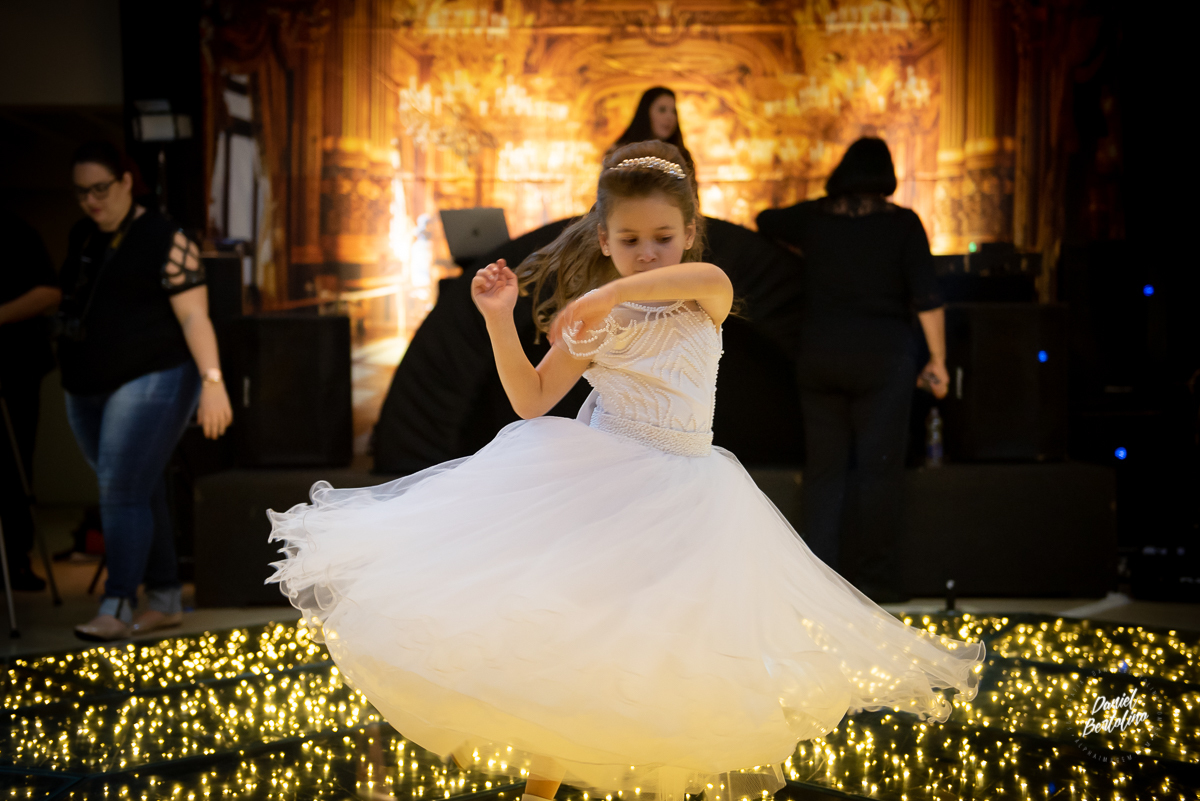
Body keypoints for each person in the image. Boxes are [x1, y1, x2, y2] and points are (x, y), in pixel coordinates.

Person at [266, 139, 983, 801]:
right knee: (574, 646)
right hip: (599, 486)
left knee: (677, 657)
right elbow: (531, 399)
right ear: (604, 240)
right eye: (630, 241)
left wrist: (600, 294)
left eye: (663, 238)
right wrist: (498, 316)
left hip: (687, 491)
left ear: (690, 234)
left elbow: (703, 275)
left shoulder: (707, 293)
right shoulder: (597, 322)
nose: (647, 253)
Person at [755, 137, 949, 604]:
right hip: (883, 361)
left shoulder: (815, 219)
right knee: (878, 472)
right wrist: (938, 361)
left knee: (825, 473)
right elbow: (927, 298)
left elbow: (765, 221)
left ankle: (819, 582)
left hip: (820, 357)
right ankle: (876, 583)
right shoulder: (903, 224)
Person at [58, 141, 233, 641]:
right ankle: (164, 598)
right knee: (137, 485)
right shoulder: (83, 237)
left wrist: (212, 381)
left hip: (151, 375)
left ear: (127, 182)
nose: (92, 200)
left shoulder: (163, 235)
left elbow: (195, 314)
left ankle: (116, 602)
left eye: (101, 189)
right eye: (81, 193)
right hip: (85, 383)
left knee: (120, 489)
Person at [0, 211, 62, 592]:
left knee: (13, 466)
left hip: (14, 366)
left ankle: (15, 558)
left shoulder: (15, 232)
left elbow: (49, 291)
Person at [608, 86, 696, 177]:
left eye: (674, 111)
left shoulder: (682, 156)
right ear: (646, 113)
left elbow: (691, 190)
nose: (669, 117)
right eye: (662, 110)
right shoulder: (620, 154)